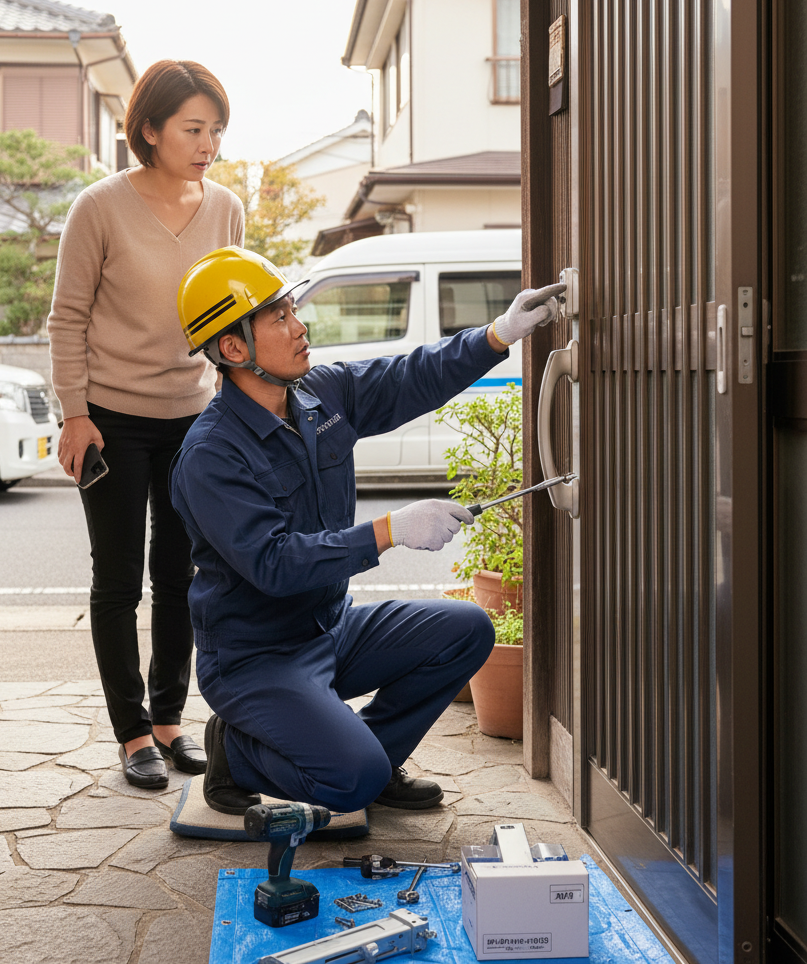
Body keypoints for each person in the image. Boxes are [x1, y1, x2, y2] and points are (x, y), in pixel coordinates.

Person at [169, 246, 563, 814]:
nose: (300, 327)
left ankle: (373, 756)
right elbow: (274, 563)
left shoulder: (317, 396)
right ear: (234, 348)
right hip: (256, 658)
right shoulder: (211, 455)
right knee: (347, 784)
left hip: (330, 628)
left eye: (292, 311)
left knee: (468, 628)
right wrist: (389, 529)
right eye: (278, 318)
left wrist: (499, 334)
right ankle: (237, 752)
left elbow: (409, 378)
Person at [47, 61, 244, 790]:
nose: (207, 144)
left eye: (216, 130)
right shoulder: (98, 208)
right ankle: (131, 734)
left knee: (182, 575)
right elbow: (66, 317)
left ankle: (168, 722)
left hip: (194, 418)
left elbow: (229, 316)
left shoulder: (225, 207)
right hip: (111, 420)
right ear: (151, 129)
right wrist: (74, 412)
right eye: (194, 129)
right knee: (118, 578)